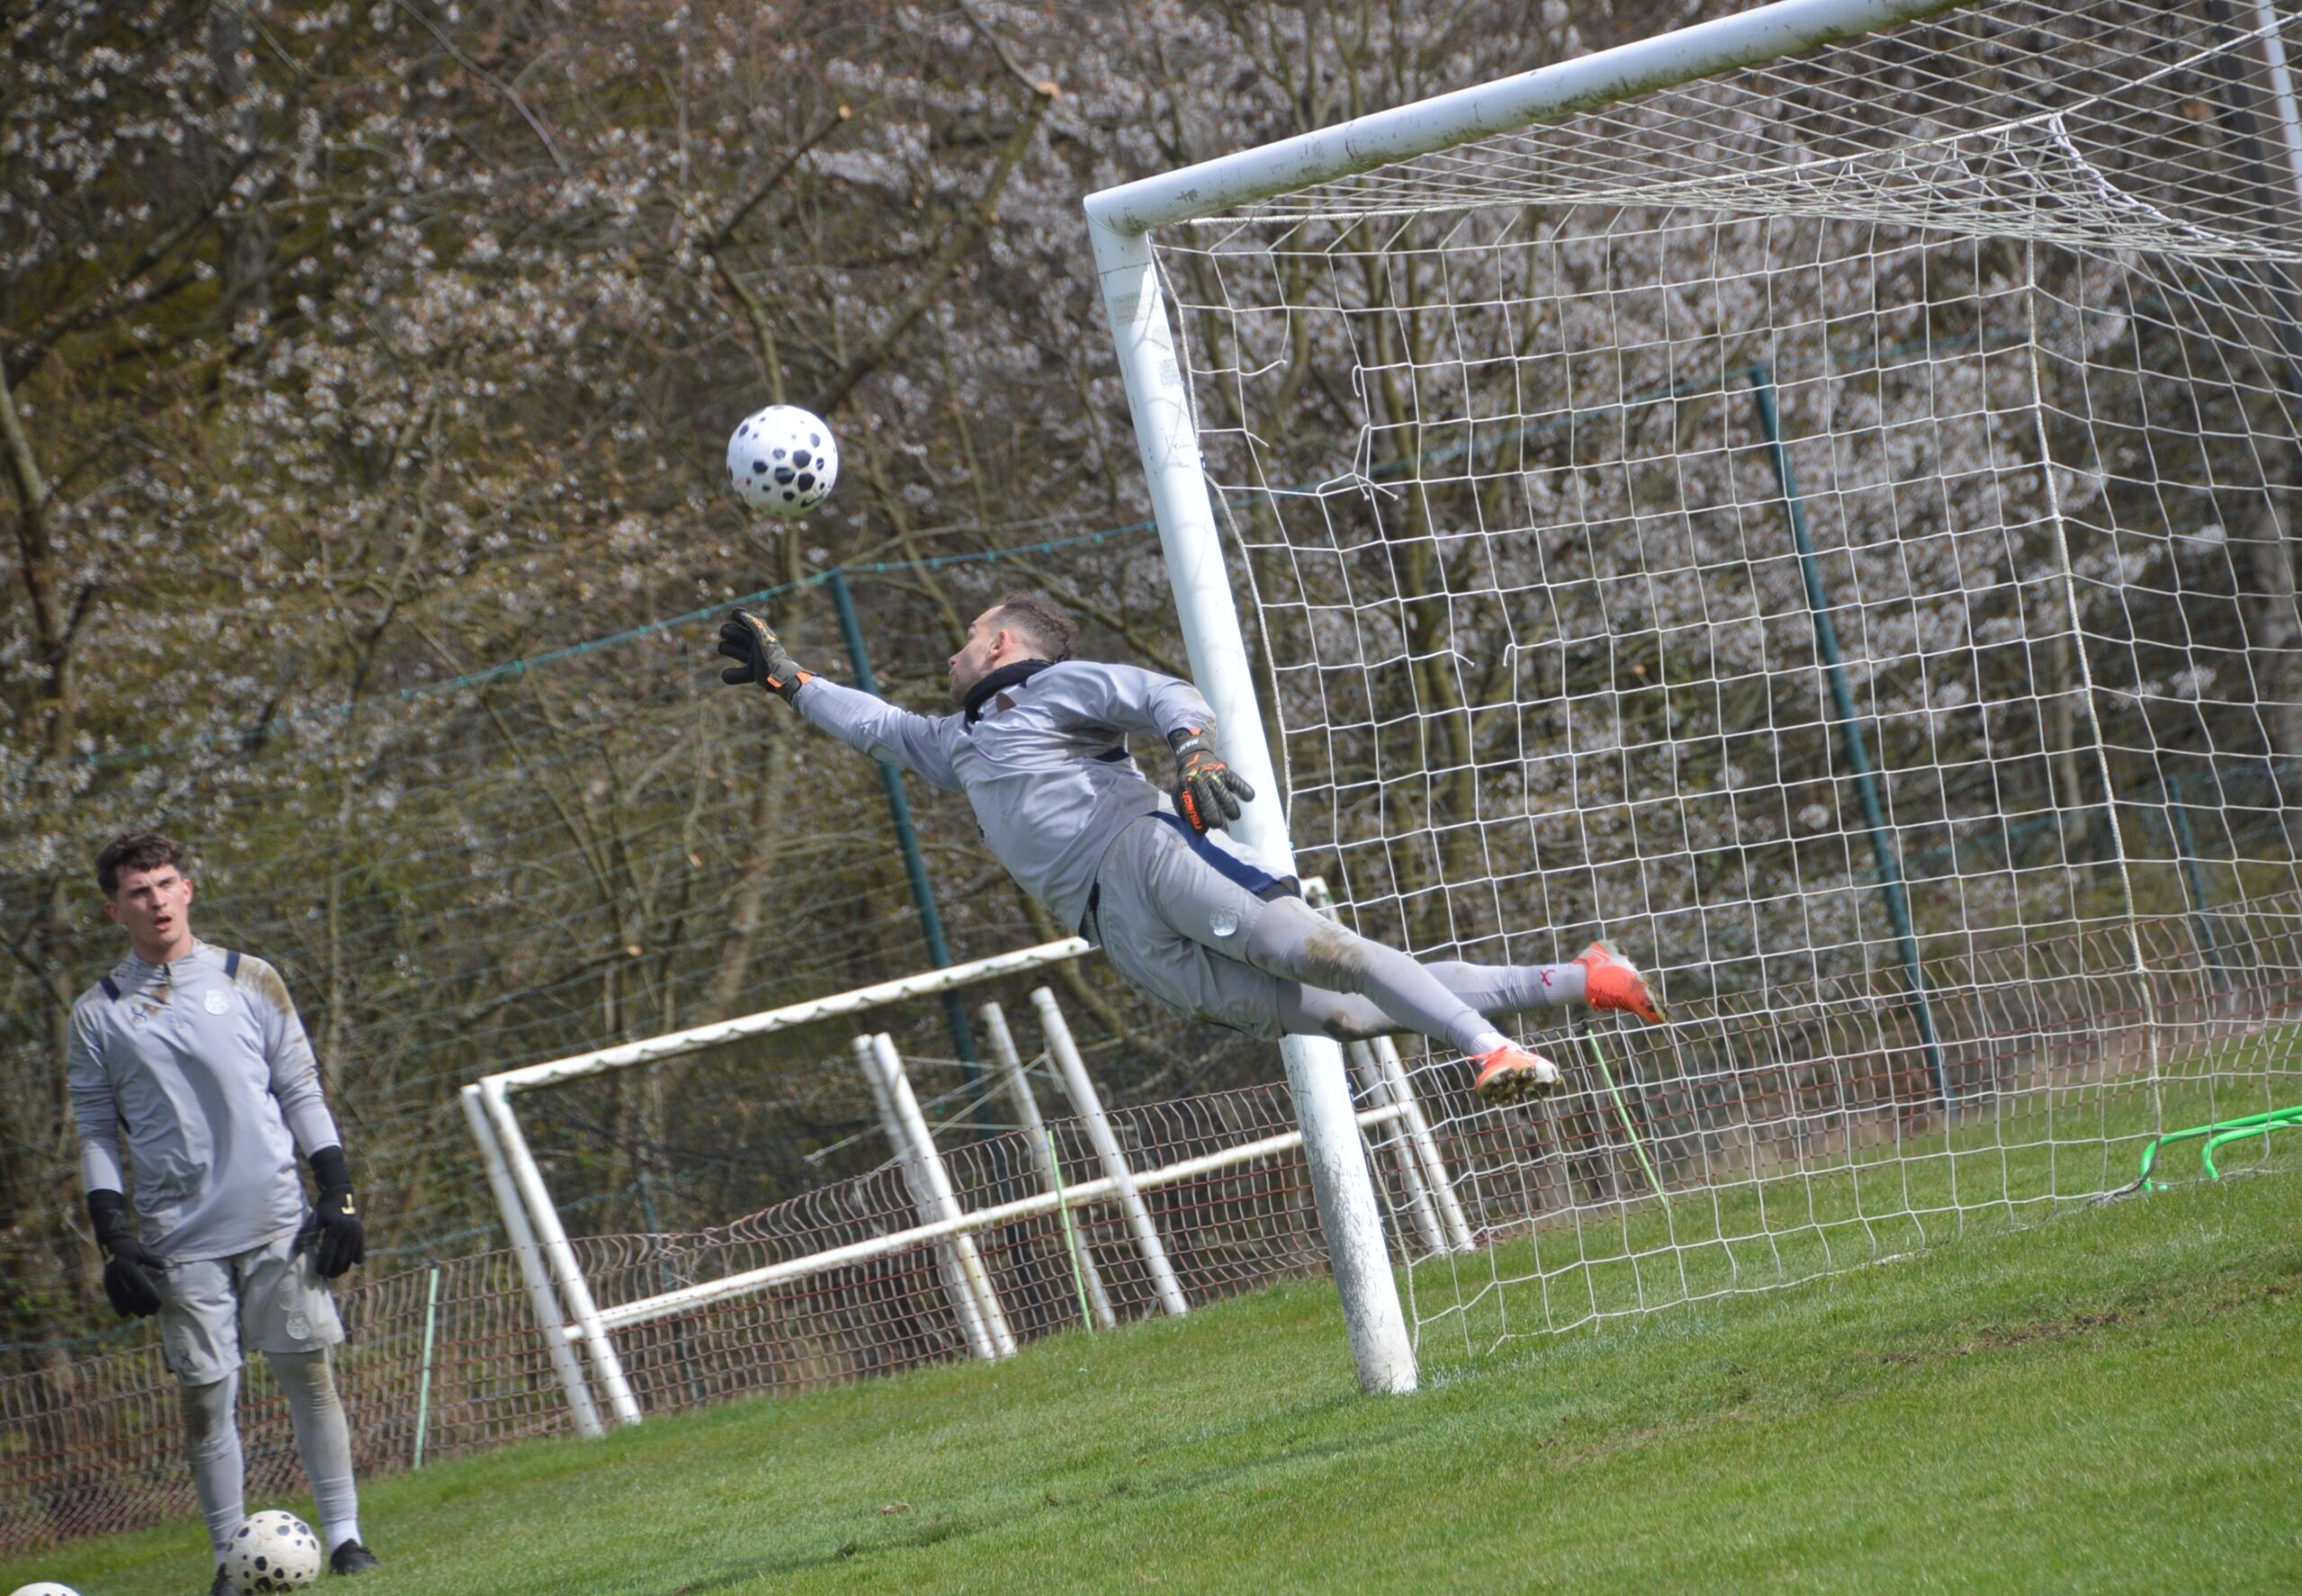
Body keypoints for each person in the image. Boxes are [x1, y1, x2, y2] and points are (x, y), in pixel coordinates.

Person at [717, 594, 1663, 1101]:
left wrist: (1195, 749)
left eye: (967, 639)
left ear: (1002, 643)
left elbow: (1163, 692)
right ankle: (1581, 979)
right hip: (1113, 929)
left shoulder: (1050, 687)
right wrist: (790, 680)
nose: (951, 656)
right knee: (1345, 1016)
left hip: (1144, 854)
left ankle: (1490, 1048)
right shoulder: (958, 741)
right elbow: (878, 726)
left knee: (1321, 951)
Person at [66, 833, 381, 1592]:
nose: (156, 900)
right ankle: (227, 1562)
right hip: (178, 1239)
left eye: (165, 883)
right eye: (138, 891)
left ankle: (346, 1537)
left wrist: (336, 1188)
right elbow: (96, 1133)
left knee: (310, 1377)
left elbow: (299, 1087)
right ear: (115, 909)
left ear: (188, 889)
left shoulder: (251, 977)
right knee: (206, 1401)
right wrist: (115, 1237)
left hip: (277, 1219)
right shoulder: (97, 1013)